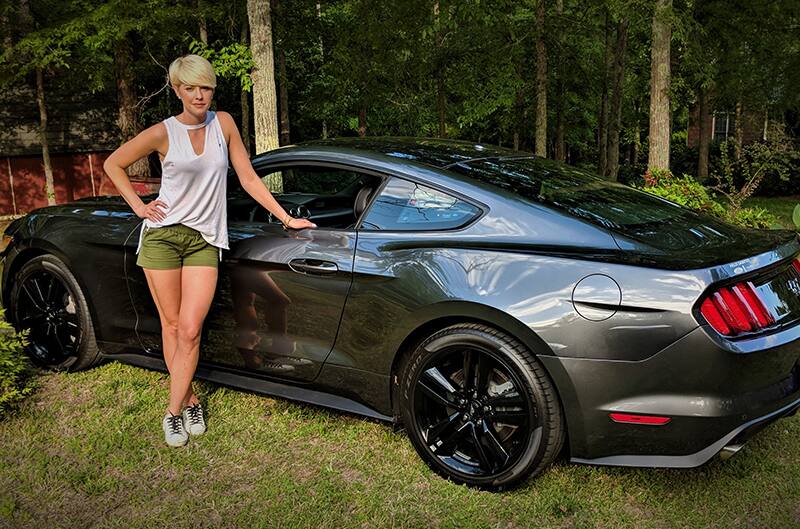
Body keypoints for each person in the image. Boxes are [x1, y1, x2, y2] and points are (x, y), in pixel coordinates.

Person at [103, 54, 315, 447]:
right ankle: (189, 397)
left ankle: (171, 412)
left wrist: (286, 218)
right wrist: (140, 206)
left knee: (190, 328)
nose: (199, 95)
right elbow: (114, 164)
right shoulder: (162, 133)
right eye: (190, 88)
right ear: (177, 90)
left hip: (204, 240)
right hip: (163, 237)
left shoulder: (225, 124)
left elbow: (248, 176)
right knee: (171, 326)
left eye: (206, 87)